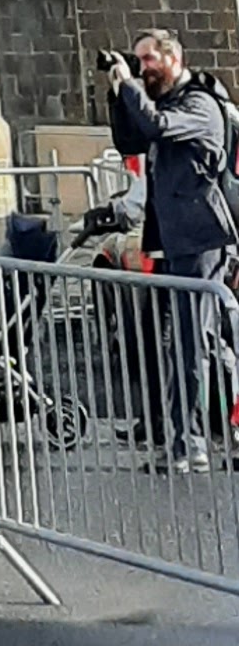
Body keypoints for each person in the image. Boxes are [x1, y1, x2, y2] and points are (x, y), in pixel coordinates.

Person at [102, 32, 239, 466]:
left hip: (202, 242)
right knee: (197, 342)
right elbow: (131, 141)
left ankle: (188, 446)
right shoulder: (169, 103)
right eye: (138, 62)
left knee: (190, 343)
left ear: (173, 58)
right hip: (177, 242)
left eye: (148, 60)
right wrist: (118, 93)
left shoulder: (198, 104)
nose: (143, 69)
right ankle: (196, 438)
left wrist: (130, 87)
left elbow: (156, 127)